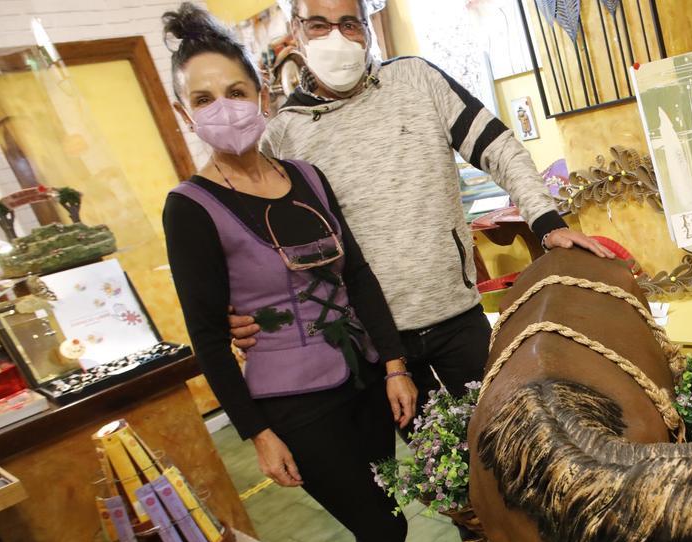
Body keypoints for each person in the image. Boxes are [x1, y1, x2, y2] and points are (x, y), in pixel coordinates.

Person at [228, 0, 614, 416]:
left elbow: (498, 148)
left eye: (349, 24)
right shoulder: (284, 134)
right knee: (436, 469)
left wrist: (546, 221)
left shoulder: (416, 79)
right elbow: (265, 244)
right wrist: (250, 311)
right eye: (319, 25)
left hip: (456, 315)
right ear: (296, 30)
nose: (336, 38)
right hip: (378, 345)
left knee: (511, 429)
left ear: (368, 29)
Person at [159, 4, 410, 542]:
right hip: (294, 403)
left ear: (261, 95)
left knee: (392, 517)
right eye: (203, 99)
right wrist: (257, 433)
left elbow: (358, 275)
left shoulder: (307, 177)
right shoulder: (190, 208)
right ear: (185, 114)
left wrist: (393, 365)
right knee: (382, 528)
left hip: (363, 375)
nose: (223, 108)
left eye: (235, 92)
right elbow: (207, 336)